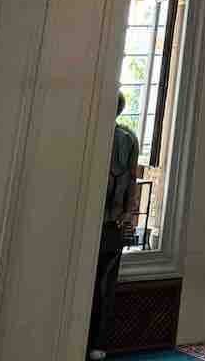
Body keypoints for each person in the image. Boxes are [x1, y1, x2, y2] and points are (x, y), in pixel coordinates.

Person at [86, 91, 139, 361]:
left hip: (93, 223)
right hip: (116, 224)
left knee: (89, 283)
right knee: (106, 286)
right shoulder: (129, 138)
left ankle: (83, 340)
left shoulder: (93, 134)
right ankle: (98, 344)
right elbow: (132, 184)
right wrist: (129, 217)